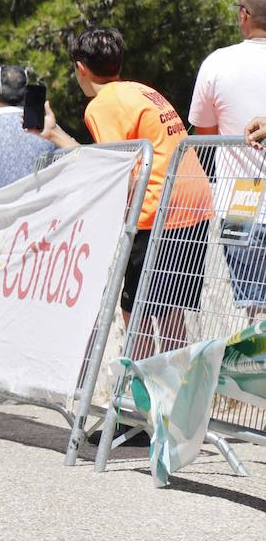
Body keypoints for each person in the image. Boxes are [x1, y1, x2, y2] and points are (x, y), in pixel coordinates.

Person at [39, 27, 213, 359]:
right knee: (171, 310)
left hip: (159, 209)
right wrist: (55, 134)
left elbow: (114, 170)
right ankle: (174, 397)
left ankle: (140, 392)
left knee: (137, 311)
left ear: (81, 69)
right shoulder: (141, 91)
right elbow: (114, 157)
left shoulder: (101, 105)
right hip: (195, 204)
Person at [189, 0, 266, 312]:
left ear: (244, 15)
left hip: (238, 203)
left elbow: (203, 135)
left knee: (253, 312)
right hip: (240, 205)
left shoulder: (217, 63)